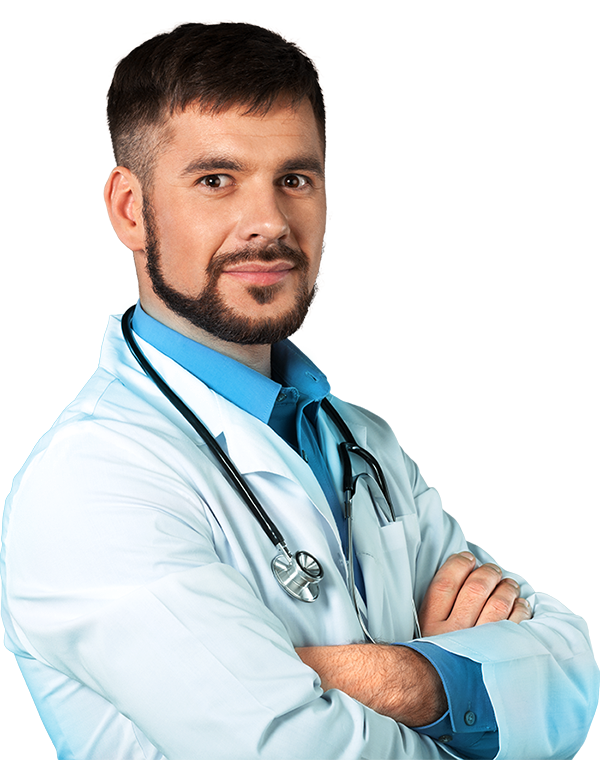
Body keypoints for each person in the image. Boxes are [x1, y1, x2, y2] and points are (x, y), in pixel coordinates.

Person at [1, 20, 597, 760]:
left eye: (294, 179)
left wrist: (379, 676)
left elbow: (570, 672)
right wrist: (466, 682)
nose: (269, 223)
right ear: (130, 209)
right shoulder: (90, 484)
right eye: (215, 180)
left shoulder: (363, 441)